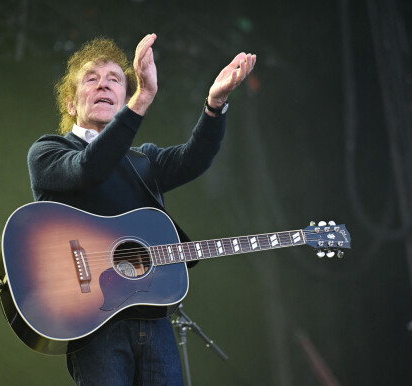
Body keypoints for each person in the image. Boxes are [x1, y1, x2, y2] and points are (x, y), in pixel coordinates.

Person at [26, 33, 256, 385]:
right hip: (94, 323)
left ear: (121, 103)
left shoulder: (143, 160)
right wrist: (143, 98)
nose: (104, 84)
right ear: (71, 104)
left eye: (115, 79)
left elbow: (194, 158)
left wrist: (215, 105)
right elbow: (90, 168)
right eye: (92, 79)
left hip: (154, 320)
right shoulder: (49, 151)